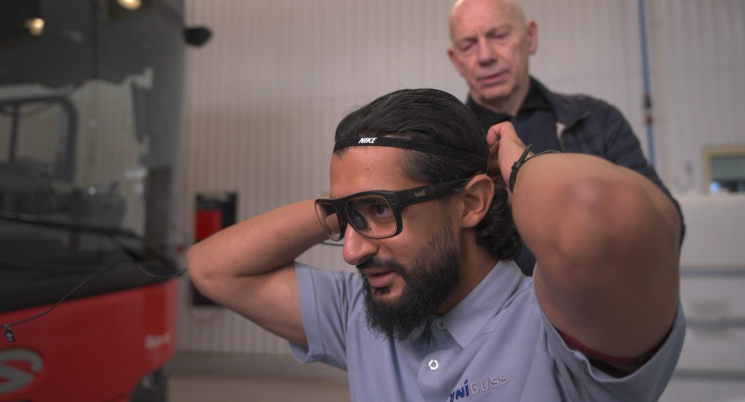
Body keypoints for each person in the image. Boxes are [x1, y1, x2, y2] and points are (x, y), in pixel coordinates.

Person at [187, 88, 685, 402]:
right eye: (346, 221)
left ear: (471, 203)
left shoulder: (558, 332)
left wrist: (515, 162)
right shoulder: (366, 316)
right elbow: (210, 268)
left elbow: (596, 210)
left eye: (380, 209)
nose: (352, 251)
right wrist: (340, 207)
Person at [447, 0, 683, 276]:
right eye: (469, 45)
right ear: (456, 60)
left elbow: (665, 225)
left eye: (499, 35)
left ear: (530, 37)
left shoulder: (597, 121)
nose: (485, 56)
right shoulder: (444, 146)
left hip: (593, 312)